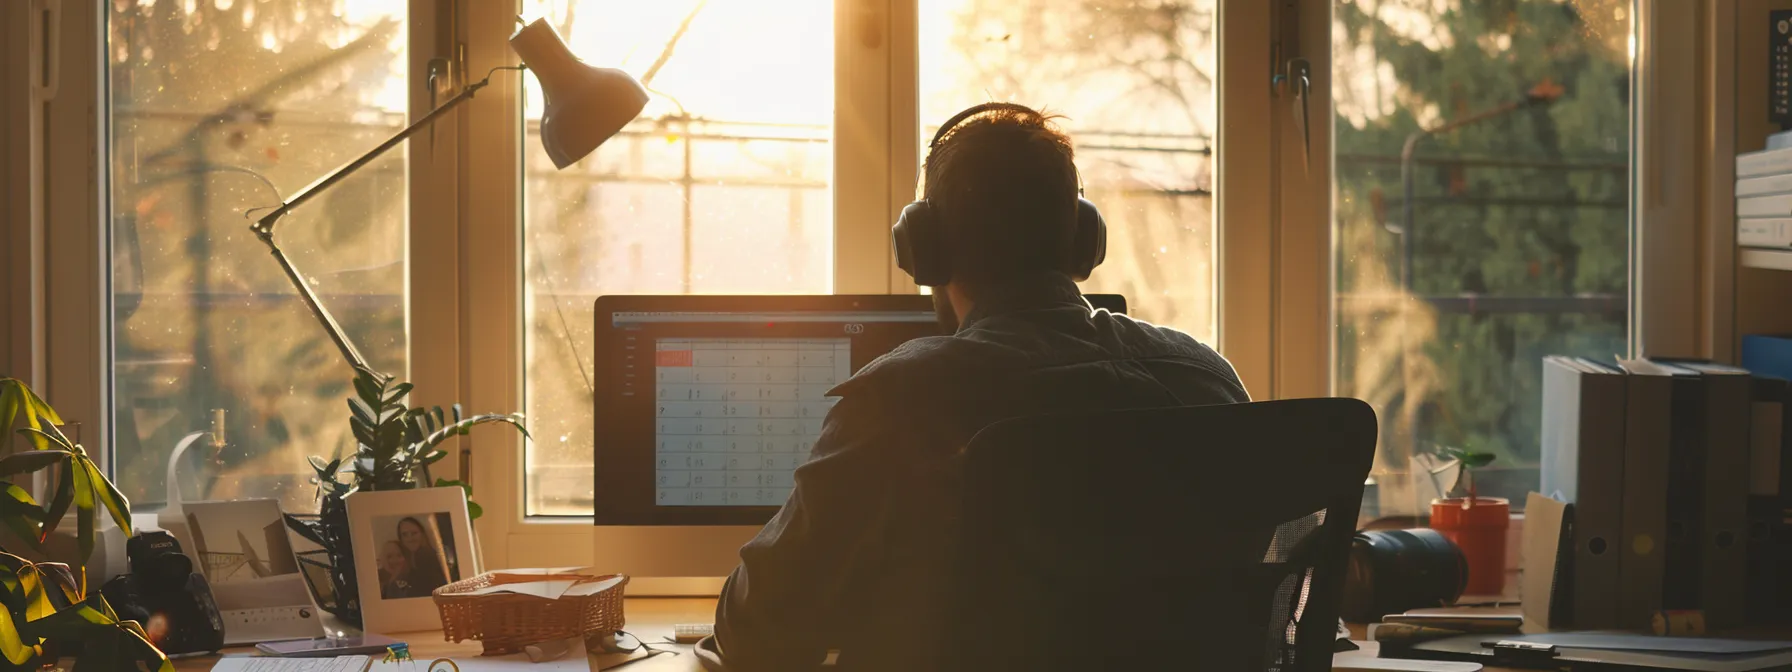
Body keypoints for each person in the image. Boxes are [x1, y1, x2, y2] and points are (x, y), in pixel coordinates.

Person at [713, 103, 1249, 671]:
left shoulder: (902, 400)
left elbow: (759, 631)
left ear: (923, 248)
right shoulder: (1205, 381)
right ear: (1082, 239)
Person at [396, 516, 449, 592]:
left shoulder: (425, 556)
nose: (410, 538)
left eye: (414, 533)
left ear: (422, 534)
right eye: (405, 535)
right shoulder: (409, 558)